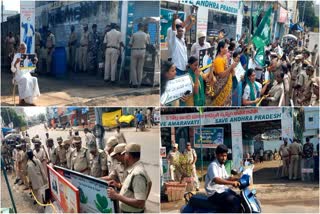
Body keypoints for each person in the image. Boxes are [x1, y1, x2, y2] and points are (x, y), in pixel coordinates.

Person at [107, 143, 152, 213]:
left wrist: (116, 196)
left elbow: (140, 203)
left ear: (129, 156)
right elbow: (149, 183)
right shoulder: (135, 169)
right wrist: (119, 185)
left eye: (125, 154)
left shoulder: (137, 174)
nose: (123, 157)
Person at [205, 144, 241, 213]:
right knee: (234, 201)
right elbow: (216, 180)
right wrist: (232, 183)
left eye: (225, 156)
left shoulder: (222, 165)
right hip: (213, 193)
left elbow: (227, 177)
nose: (224, 158)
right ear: (217, 155)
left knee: (238, 197)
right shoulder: (213, 165)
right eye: (222, 156)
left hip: (221, 190)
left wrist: (238, 178)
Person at [212, 41, 238, 106]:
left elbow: (226, 69)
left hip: (227, 85)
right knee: (222, 103)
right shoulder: (218, 60)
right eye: (226, 47)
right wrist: (231, 67)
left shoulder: (224, 56)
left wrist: (231, 68)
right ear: (221, 49)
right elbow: (222, 75)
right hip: (221, 87)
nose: (227, 48)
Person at [129, 23, 150, 87]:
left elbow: (130, 44)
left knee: (133, 67)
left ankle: (134, 83)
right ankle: (139, 83)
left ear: (138, 27)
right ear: (142, 27)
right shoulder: (145, 35)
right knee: (140, 68)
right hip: (142, 51)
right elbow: (148, 43)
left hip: (134, 50)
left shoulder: (134, 34)